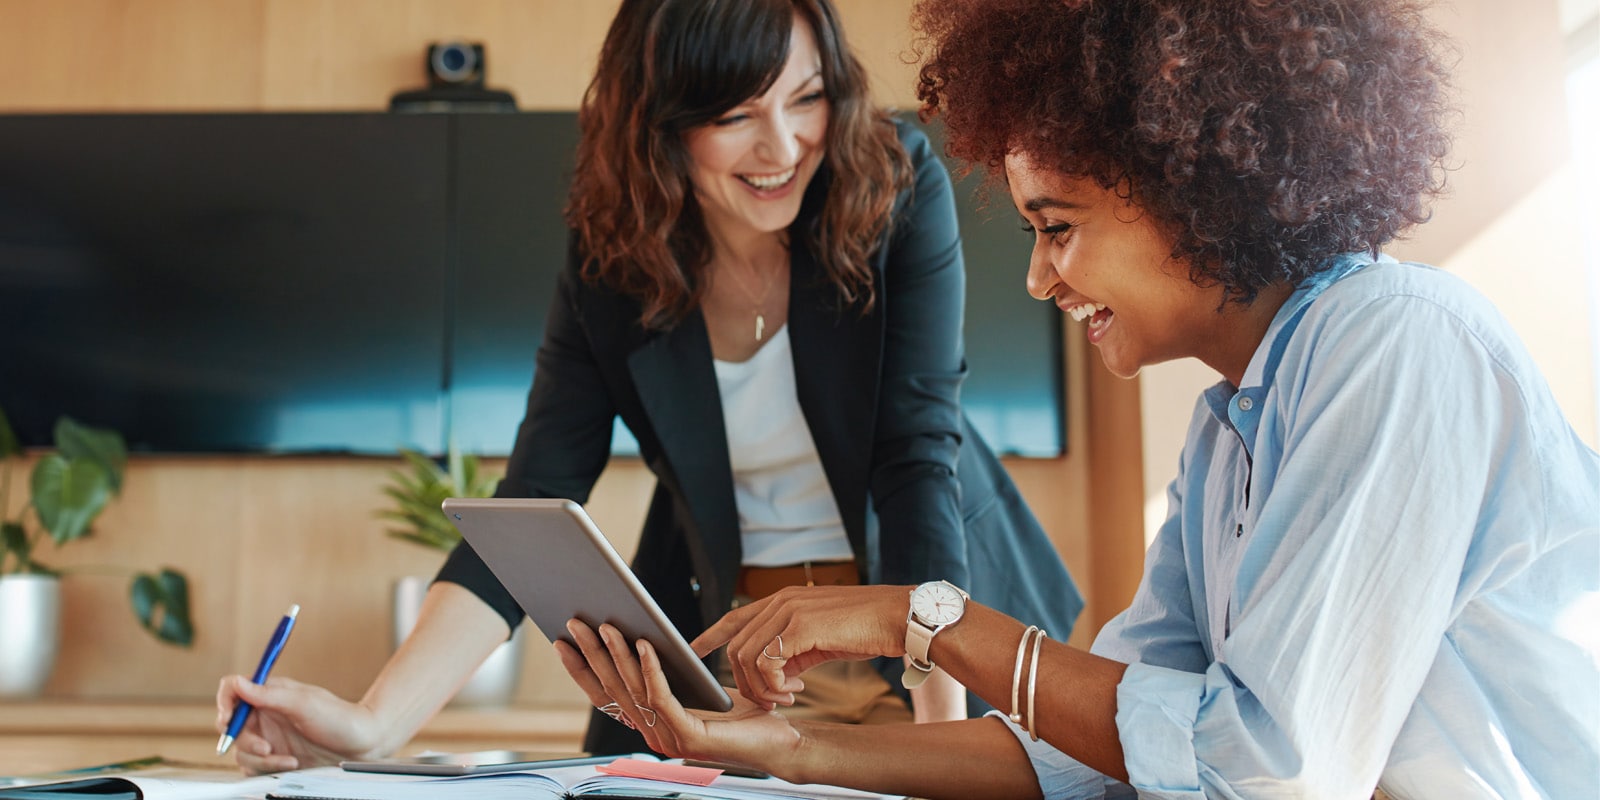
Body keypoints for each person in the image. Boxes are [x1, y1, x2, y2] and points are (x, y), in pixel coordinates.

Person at [557, 0, 1600, 797]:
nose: (1039, 277)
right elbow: (1103, 749)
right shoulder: (1228, 430)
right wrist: (786, 747)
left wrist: (920, 616)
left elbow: (1261, 767)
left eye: (1057, 227)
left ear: (1194, 184)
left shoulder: (1394, 340)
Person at [215, 0, 1083, 774]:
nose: (783, 146)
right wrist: (370, 725)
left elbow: (914, 456)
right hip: (742, 660)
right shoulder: (614, 257)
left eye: (806, 97)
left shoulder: (892, 184)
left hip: (928, 639)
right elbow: (535, 498)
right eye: (736, 114)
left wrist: (943, 735)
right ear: (662, 123)